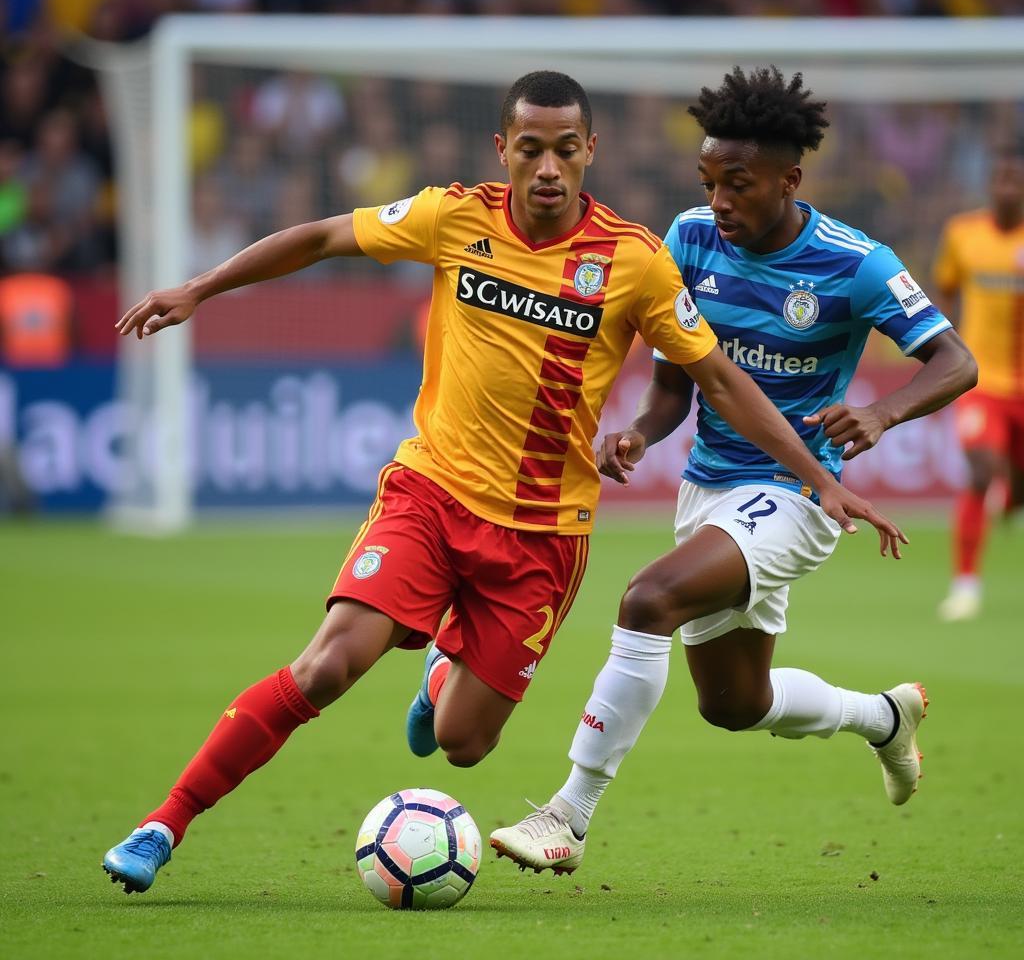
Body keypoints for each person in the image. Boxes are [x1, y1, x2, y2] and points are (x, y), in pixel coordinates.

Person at [102, 70, 902, 896]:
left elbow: (724, 380)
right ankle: (164, 822)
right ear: (504, 151)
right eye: (530, 149)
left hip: (541, 536)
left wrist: (821, 480)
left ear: (590, 151)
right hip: (432, 494)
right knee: (329, 666)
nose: (548, 168)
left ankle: (442, 669)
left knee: (464, 742)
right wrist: (200, 287)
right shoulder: (453, 216)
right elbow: (323, 238)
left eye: (564, 149)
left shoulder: (635, 262)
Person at [489, 66, 976, 875]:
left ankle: (566, 816)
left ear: (790, 179)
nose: (718, 201)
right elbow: (676, 386)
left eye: (737, 184)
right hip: (709, 488)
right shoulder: (688, 239)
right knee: (733, 704)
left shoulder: (854, 263)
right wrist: (641, 433)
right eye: (708, 181)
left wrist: (884, 413)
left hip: (798, 493)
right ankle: (883, 719)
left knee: (648, 600)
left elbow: (956, 361)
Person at [934, 142, 1024, 621]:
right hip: (983, 382)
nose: (1006, 188)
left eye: (1015, 180)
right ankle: (965, 586)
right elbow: (945, 291)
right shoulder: (963, 234)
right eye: (1000, 179)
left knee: (1016, 489)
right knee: (982, 470)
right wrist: (944, 348)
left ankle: (1012, 499)